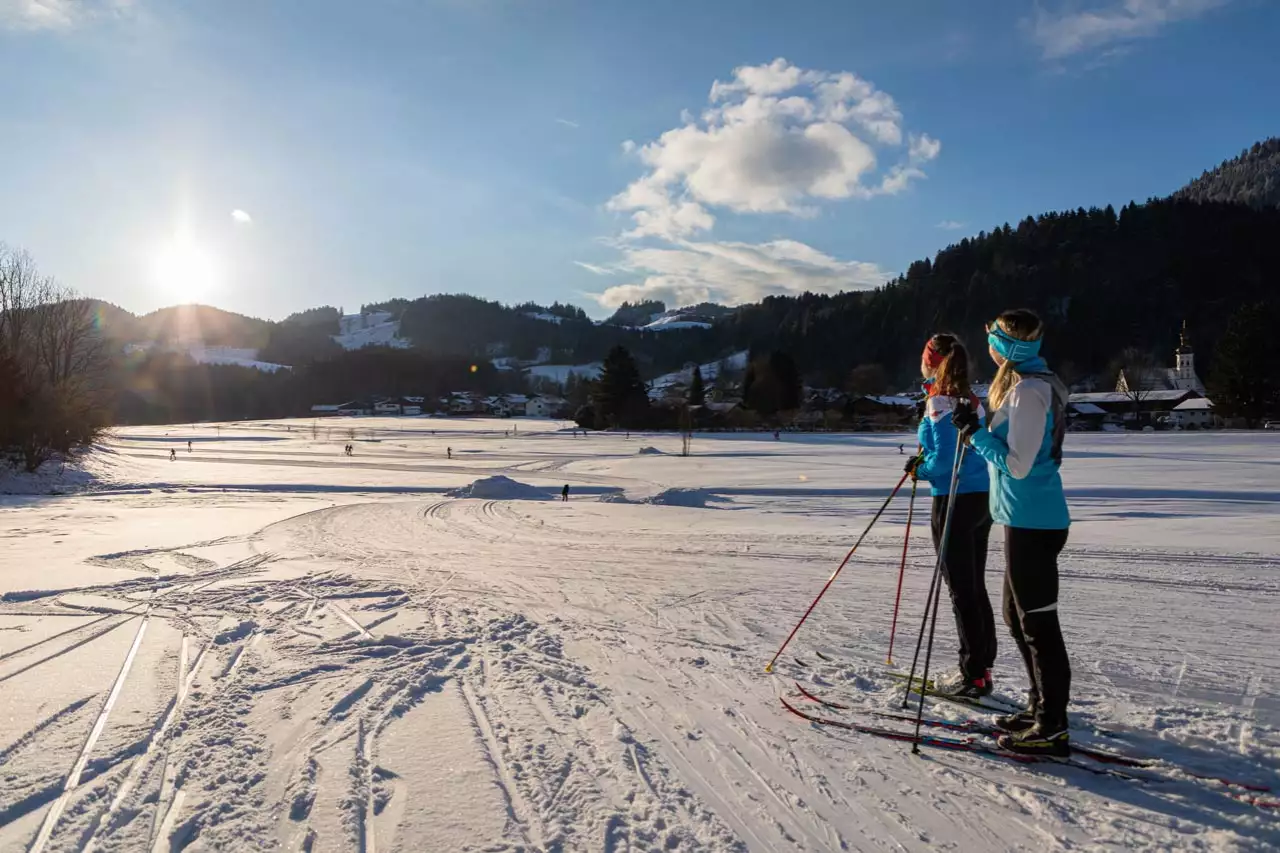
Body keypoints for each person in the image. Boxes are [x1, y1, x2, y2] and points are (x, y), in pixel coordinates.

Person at [952, 309, 1071, 757]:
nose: (988, 344)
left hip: (1035, 520)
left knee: (1038, 626)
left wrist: (976, 436)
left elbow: (1018, 465)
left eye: (993, 337)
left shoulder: (1029, 391)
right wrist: (978, 425)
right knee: (1016, 619)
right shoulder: (1024, 385)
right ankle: (1038, 707)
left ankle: (1053, 726)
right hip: (1021, 518)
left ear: (1006, 346)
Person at [905, 333, 994, 700]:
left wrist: (919, 469)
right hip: (980, 498)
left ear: (930, 362)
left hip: (954, 499)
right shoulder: (970, 398)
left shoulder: (939, 401)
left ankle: (973, 675)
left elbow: (943, 462)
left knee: (961, 589)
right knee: (973, 586)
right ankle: (981, 669)